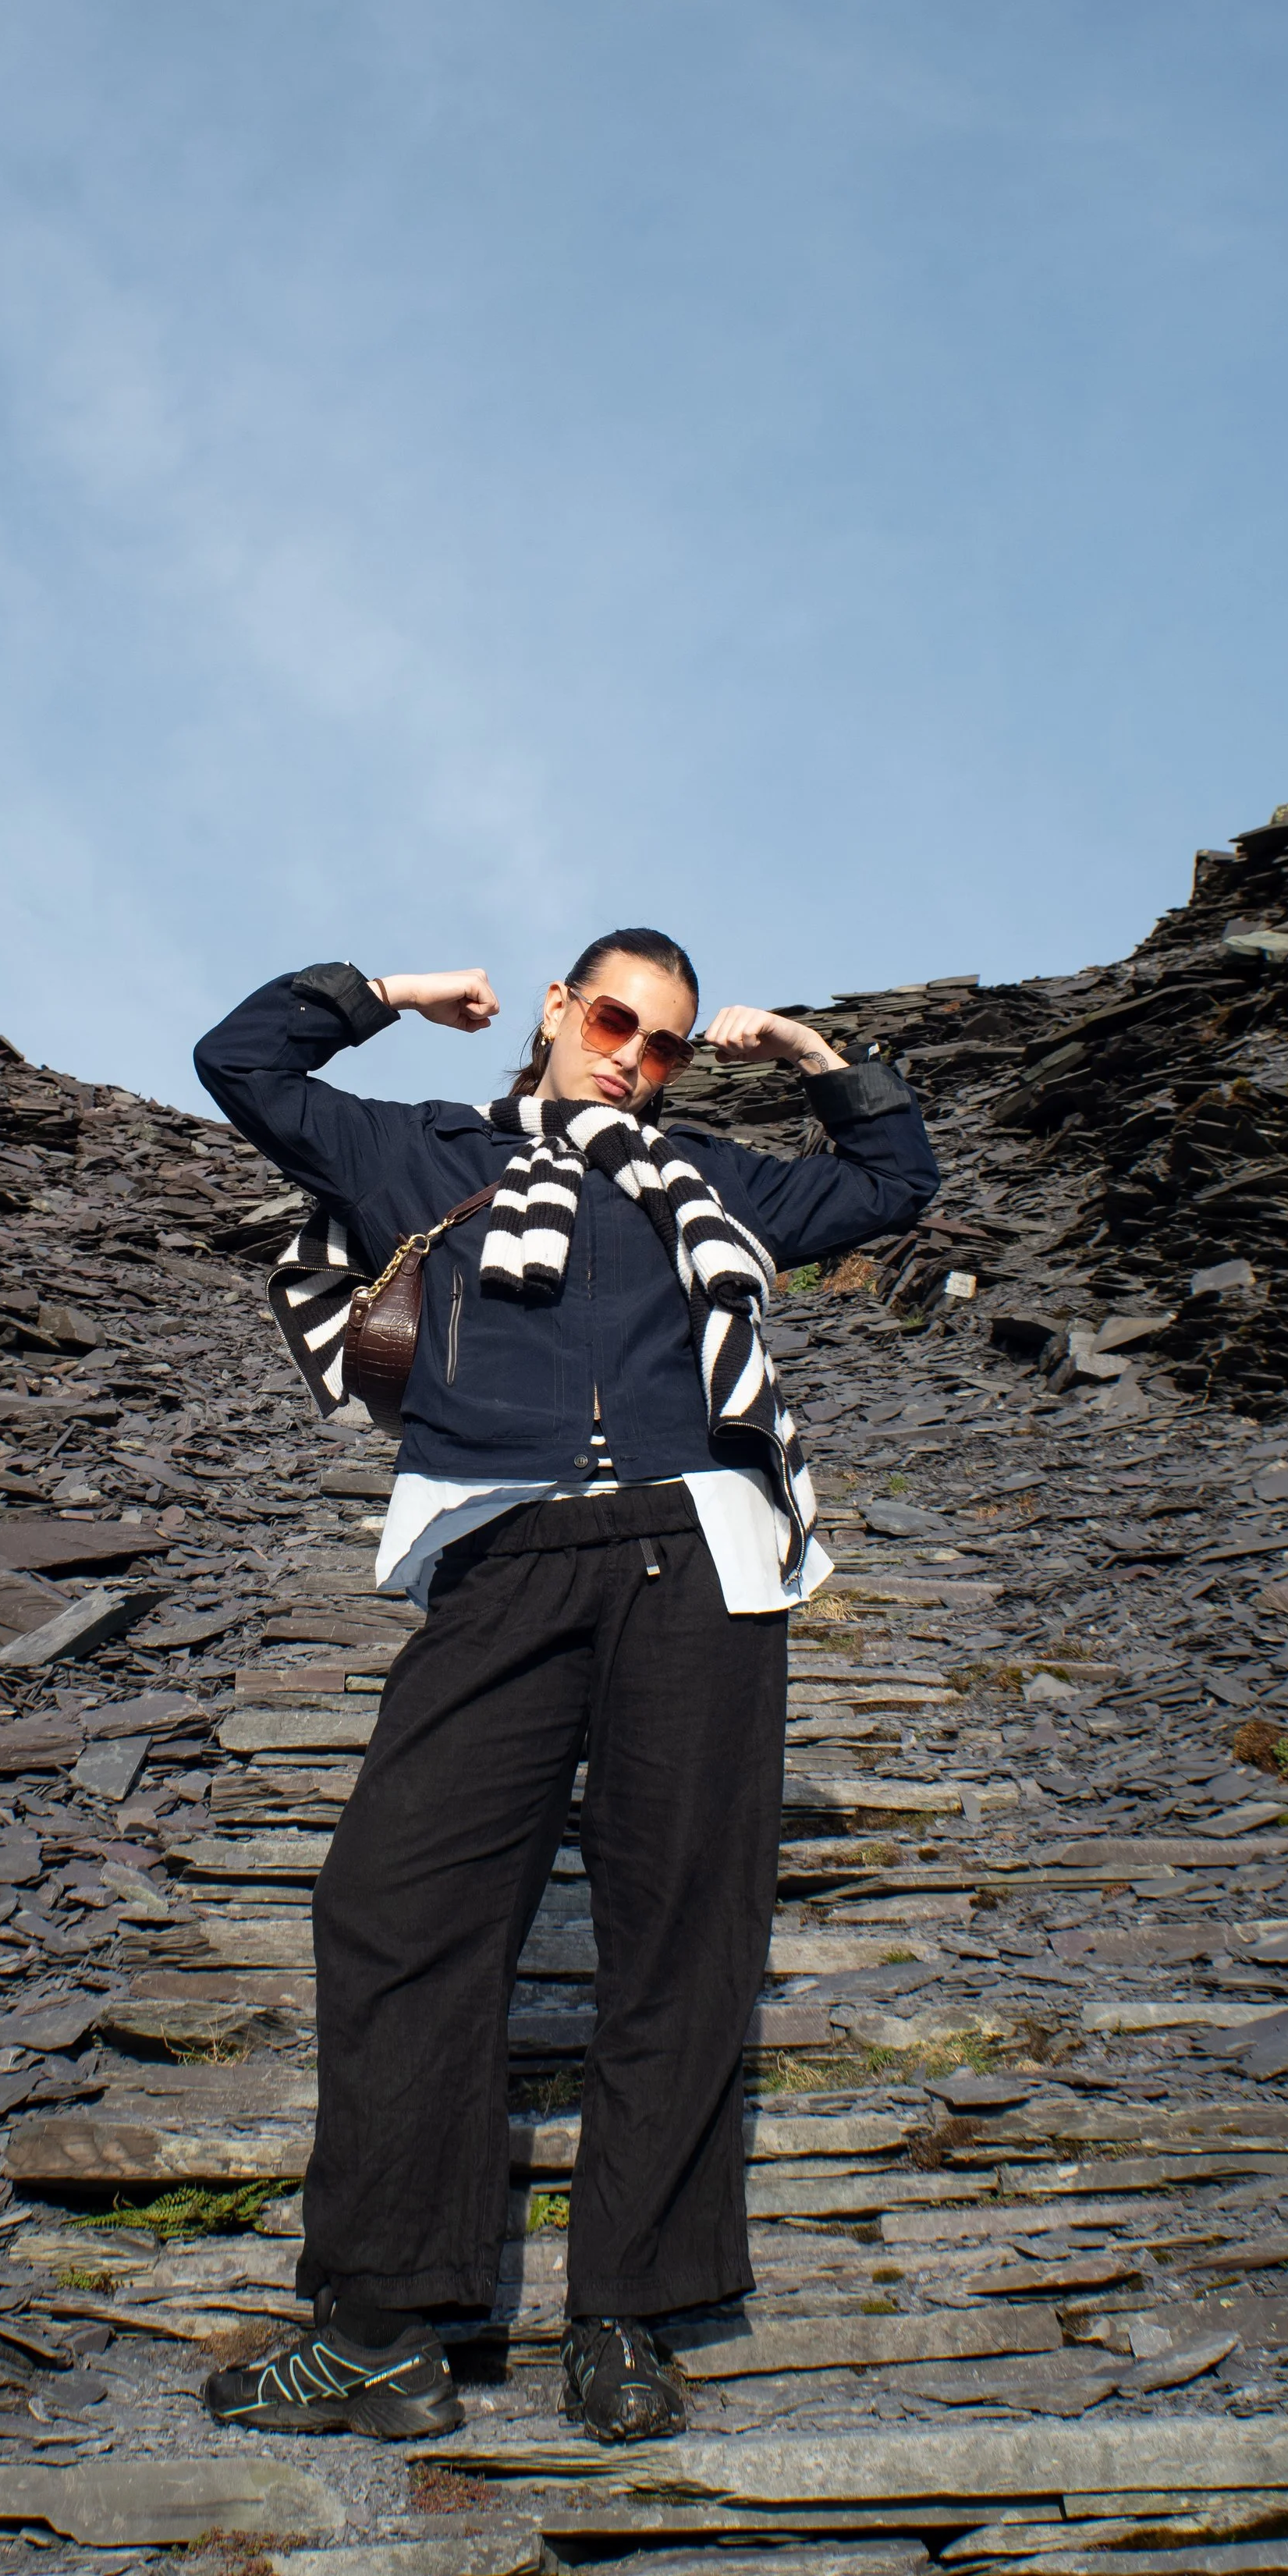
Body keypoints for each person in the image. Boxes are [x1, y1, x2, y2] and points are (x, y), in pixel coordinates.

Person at [190, 935, 939, 2444]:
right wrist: (391, 995)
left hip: (697, 1555)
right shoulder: (426, 1154)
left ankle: (629, 2320)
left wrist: (805, 1056)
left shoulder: (717, 1176)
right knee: (394, 1907)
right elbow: (243, 1063)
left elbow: (893, 1179)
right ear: (554, 1010)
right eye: (612, 1022)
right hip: (504, 1551)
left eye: (661, 1044)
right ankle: (386, 2318)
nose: (633, 1058)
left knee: (682, 1937)